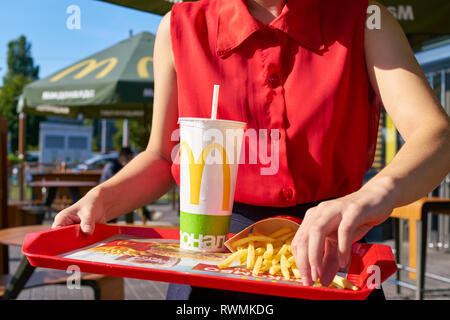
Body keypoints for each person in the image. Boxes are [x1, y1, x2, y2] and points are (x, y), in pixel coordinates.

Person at [52, 0, 450, 301]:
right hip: (210, 266)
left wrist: (370, 195)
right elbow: (161, 156)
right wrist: (103, 197)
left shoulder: (365, 18)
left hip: (334, 261)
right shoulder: (178, 27)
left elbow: (435, 134)